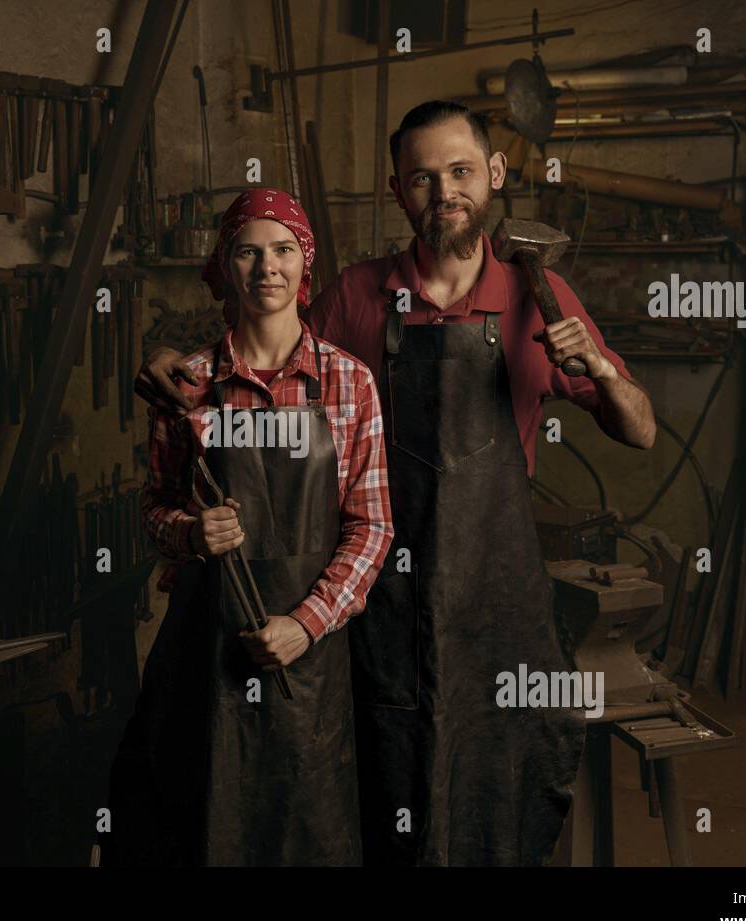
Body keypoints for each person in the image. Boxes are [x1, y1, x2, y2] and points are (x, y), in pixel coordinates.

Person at [134, 101, 657, 866]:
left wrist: (603, 371)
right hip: (379, 608)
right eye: (423, 178)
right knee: (379, 804)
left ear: (494, 176)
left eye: (460, 172)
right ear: (396, 190)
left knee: (498, 796)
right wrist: (176, 368)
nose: (444, 191)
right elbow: (269, 347)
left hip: (494, 607)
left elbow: (640, 431)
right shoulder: (356, 295)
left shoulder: (538, 296)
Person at [103, 187, 393, 866]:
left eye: (284, 250)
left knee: (306, 836)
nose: (268, 267)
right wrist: (187, 533)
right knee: (194, 832)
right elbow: (154, 507)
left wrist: (308, 621)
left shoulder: (350, 384)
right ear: (225, 266)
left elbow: (372, 526)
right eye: (248, 251)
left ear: (305, 265)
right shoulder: (188, 384)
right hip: (204, 658)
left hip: (306, 663)